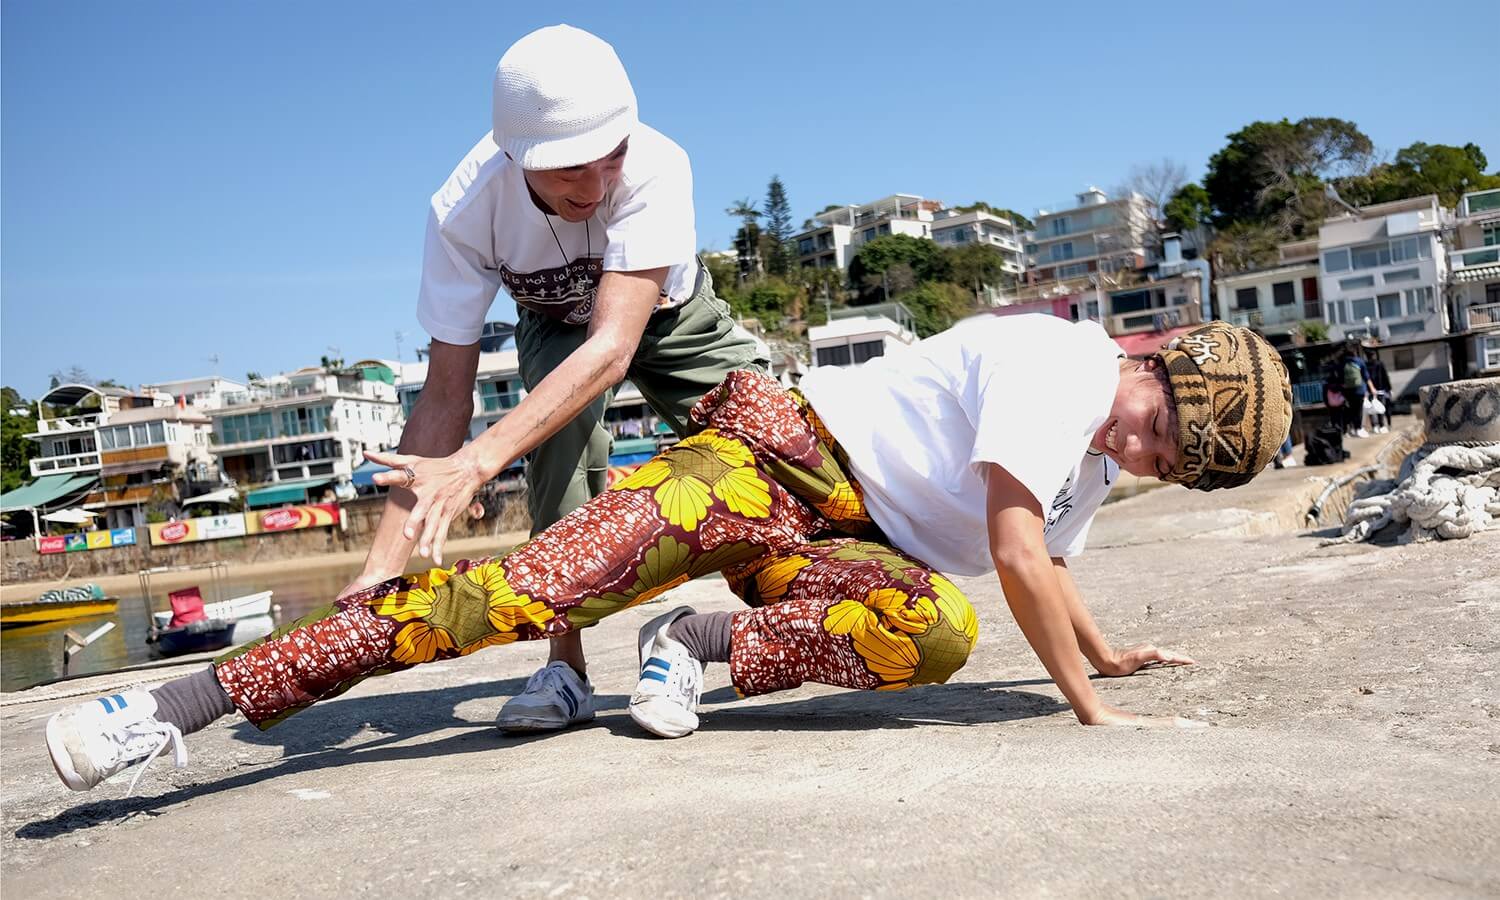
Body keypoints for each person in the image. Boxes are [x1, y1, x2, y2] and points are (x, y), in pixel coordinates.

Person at [45, 319, 1294, 794]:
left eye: (1163, 463)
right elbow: (1018, 549)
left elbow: (1051, 572)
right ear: (1158, 364)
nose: (1135, 452)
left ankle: (692, 642)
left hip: (843, 548)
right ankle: (174, 701)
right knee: (505, 597)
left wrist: (1106, 650)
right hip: (770, 457)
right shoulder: (1063, 366)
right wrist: (1086, 713)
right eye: (1155, 427)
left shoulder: (1091, 456)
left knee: (936, 634)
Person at [347, 25, 766, 734]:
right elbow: (448, 392)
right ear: (517, 157)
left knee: (774, 438)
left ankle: (749, 624)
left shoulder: (658, 163)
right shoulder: (462, 209)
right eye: (571, 170)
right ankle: (565, 667)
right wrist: (379, 573)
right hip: (555, 323)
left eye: (611, 160)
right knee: (558, 468)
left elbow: (613, 347)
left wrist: (479, 462)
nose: (597, 186)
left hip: (669, 315)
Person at [1337, 343, 1374, 438]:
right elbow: (1366, 377)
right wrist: (1372, 388)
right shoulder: (1359, 361)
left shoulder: (1342, 363)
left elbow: (1340, 378)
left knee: (1351, 409)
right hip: (1359, 389)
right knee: (1359, 410)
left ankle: (1351, 429)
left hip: (1347, 391)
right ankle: (1359, 429)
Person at [1365, 351, 1392, 434]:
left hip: (1370, 390)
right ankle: (1382, 426)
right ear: (1374, 356)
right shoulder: (1380, 364)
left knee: (1371, 408)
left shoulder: (1365, 365)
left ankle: (1374, 426)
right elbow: (1385, 376)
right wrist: (1389, 388)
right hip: (1380, 389)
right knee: (1380, 408)